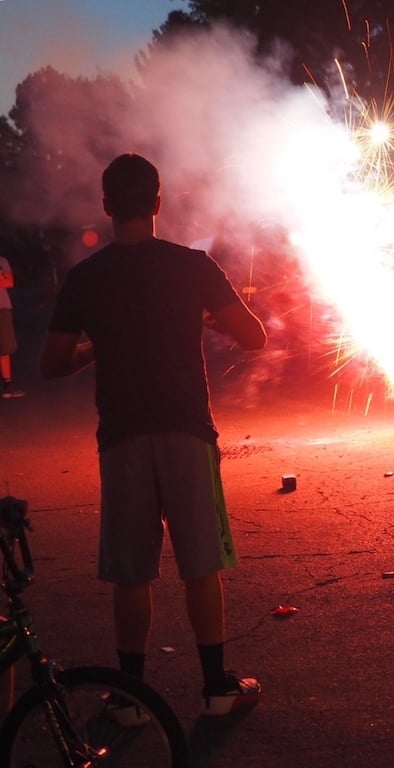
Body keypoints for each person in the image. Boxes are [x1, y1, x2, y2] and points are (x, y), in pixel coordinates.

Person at [39, 153, 267, 717]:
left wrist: (103, 345)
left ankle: (128, 696)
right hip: (187, 430)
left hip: (122, 436)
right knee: (200, 566)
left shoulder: (86, 278)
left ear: (107, 206)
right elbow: (255, 336)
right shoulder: (193, 267)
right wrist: (209, 319)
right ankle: (216, 688)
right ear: (158, 203)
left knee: (132, 574)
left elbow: (51, 362)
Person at [0, 252, 25, 399]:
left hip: (2, 308)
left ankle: (8, 386)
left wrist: (4, 279)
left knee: (5, 347)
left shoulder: (2, 260)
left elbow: (9, 282)